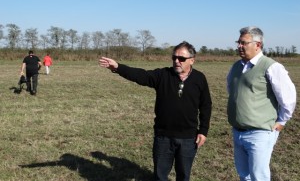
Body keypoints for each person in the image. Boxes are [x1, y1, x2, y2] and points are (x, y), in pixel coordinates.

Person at [99, 41, 212, 181]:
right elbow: (140, 75)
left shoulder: (199, 78)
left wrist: (203, 130)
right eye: (174, 57)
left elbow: (206, 105)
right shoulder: (163, 75)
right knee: (160, 176)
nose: (177, 61)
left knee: (183, 176)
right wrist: (118, 67)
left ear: (192, 60)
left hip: (188, 138)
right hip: (163, 137)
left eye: (181, 59)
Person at [227, 26, 297, 181]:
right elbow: (231, 90)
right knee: (244, 175)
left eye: (243, 43)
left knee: (259, 176)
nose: (239, 46)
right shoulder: (236, 67)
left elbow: (288, 98)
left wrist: (282, 121)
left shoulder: (271, 67)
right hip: (238, 132)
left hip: (260, 133)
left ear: (257, 45)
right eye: (238, 42)